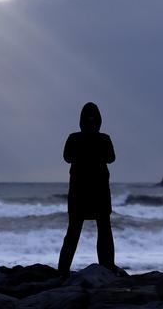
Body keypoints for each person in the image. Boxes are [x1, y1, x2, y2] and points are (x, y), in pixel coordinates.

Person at [58, 102, 116, 276]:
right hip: (96, 191)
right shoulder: (103, 139)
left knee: (75, 231)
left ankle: (63, 270)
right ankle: (107, 267)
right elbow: (111, 158)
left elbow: (67, 157)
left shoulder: (74, 138)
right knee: (102, 230)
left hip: (80, 191)